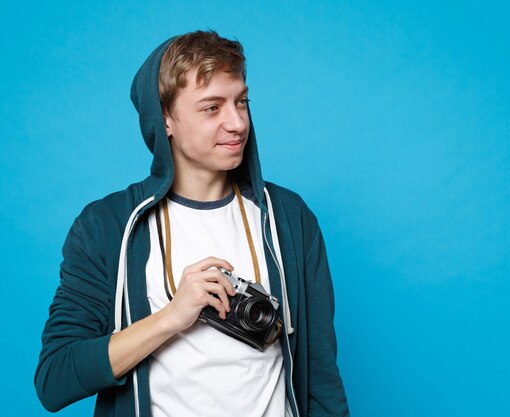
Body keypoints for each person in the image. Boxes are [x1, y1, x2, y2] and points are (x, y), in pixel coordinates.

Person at [35, 30, 349, 417]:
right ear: (165, 118)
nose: (236, 123)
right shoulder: (108, 227)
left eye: (242, 102)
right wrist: (172, 317)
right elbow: (55, 379)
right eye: (212, 107)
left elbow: (321, 379)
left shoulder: (288, 217)